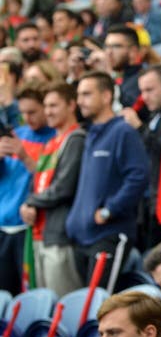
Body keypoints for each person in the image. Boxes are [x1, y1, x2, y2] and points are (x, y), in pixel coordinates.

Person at [65, 71, 149, 288]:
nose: (79, 101)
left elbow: (139, 176)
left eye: (86, 94)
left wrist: (109, 210)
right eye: (79, 95)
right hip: (82, 237)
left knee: (98, 307)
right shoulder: (91, 133)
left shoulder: (123, 131)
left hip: (108, 235)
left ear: (105, 96)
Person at [20, 82, 85, 296]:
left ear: (71, 105)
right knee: (45, 305)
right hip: (40, 233)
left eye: (54, 105)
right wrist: (30, 203)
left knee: (63, 306)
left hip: (60, 236)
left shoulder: (76, 139)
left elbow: (64, 187)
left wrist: (31, 202)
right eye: (46, 106)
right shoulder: (50, 143)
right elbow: (38, 183)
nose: (48, 112)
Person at [0, 84, 55, 295]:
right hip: (3, 225)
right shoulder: (15, 134)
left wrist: (24, 155)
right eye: (23, 112)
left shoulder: (54, 139)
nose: (27, 117)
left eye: (32, 112)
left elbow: (49, 181)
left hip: (29, 229)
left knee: (29, 294)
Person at [121, 65, 161, 250]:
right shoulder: (155, 115)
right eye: (142, 91)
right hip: (151, 203)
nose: (144, 97)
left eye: (149, 90)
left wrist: (139, 127)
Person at [104, 24, 144, 110]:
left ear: (133, 51)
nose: (109, 52)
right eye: (107, 46)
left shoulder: (143, 79)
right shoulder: (118, 78)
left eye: (116, 46)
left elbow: (126, 109)